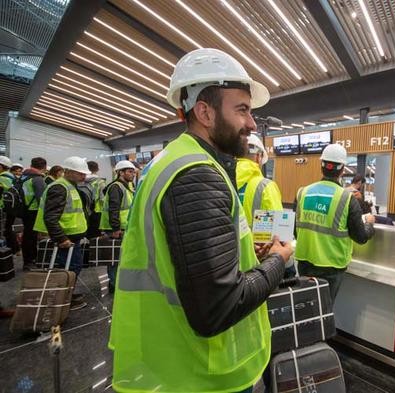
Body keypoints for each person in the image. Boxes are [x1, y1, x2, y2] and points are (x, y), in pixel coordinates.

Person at [109, 48, 293, 393]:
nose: (252, 124)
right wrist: (277, 261)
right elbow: (218, 309)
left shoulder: (173, 162)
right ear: (205, 112)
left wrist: (240, 255)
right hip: (200, 373)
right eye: (242, 109)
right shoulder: (196, 175)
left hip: (172, 362)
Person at [294, 144, 376, 303]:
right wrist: (369, 225)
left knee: (305, 307)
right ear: (342, 169)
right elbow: (360, 237)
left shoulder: (302, 192)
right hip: (331, 266)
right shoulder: (346, 199)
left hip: (304, 261)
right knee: (324, 310)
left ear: (321, 166)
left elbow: (296, 230)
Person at [34, 156, 91, 310]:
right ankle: (62, 297)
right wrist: (61, 238)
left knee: (73, 268)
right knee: (69, 268)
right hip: (66, 238)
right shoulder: (59, 187)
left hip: (72, 237)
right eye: (80, 173)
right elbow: (51, 217)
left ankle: (66, 294)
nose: (83, 176)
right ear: (68, 171)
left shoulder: (69, 185)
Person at [99, 160, 135, 293]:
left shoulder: (127, 186)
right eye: (130, 172)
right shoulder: (116, 187)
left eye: (133, 172)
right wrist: (115, 228)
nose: (133, 174)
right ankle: (114, 284)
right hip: (116, 228)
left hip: (124, 226)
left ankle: (119, 281)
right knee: (114, 258)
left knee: (121, 256)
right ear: (121, 172)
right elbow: (114, 209)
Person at [237, 134, 282, 226]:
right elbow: (279, 226)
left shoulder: (223, 180)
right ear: (258, 157)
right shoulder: (265, 186)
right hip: (255, 240)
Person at [21, 157, 47, 269]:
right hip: (33, 210)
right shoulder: (38, 179)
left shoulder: (24, 176)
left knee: (28, 235)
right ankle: (30, 261)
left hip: (24, 209)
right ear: (45, 167)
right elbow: (41, 198)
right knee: (30, 237)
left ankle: (29, 259)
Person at [81, 161, 106, 238]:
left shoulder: (80, 181)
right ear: (97, 169)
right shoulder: (100, 182)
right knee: (95, 236)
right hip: (96, 211)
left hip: (82, 210)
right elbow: (102, 199)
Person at [0, 156, 18, 253]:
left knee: (6, 229)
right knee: (8, 228)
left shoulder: (3, 178)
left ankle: (13, 249)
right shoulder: (11, 176)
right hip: (12, 206)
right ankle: (15, 249)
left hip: (5, 207)